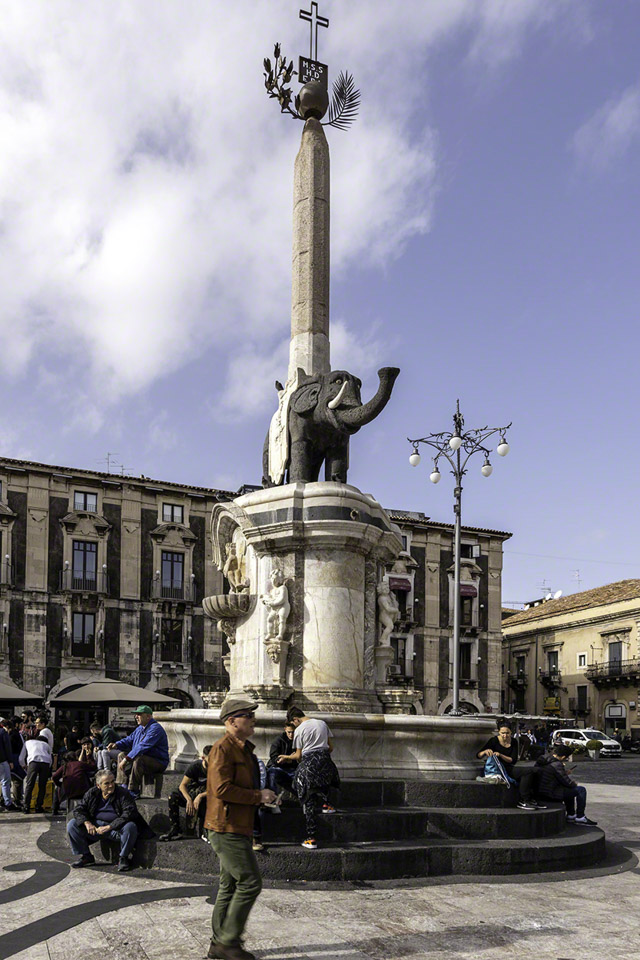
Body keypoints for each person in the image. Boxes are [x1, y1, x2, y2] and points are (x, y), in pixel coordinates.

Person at [204, 696, 276, 960]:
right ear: (232, 722)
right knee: (250, 882)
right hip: (226, 826)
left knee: (230, 885)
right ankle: (228, 942)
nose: (253, 719)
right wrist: (258, 796)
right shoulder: (222, 749)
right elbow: (221, 789)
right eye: (248, 715)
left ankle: (217, 944)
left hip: (237, 826)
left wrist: (261, 796)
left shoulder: (244, 749)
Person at [279, 706, 340, 850]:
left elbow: (298, 756)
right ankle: (327, 804)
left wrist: (287, 757)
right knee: (326, 780)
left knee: (308, 797)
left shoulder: (300, 730)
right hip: (325, 761)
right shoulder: (322, 723)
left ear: (295, 719)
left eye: (293, 724)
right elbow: (330, 747)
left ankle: (311, 839)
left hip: (309, 764)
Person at [67, 769, 141, 871]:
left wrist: (109, 826)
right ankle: (86, 856)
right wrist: (87, 823)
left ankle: (123, 858)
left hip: (115, 829)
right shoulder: (92, 793)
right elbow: (79, 809)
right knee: (72, 824)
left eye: (112, 782)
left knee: (130, 827)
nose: (111, 785)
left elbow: (129, 813)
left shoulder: (122, 793)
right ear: (98, 785)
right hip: (96, 828)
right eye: (106, 783)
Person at [477, 723, 542, 811]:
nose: (505, 735)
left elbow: (513, 760)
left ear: (511, 732)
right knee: (528, 772)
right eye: (502, 733)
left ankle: (532, 799)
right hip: (497, 769)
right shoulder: (494, 740)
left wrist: (500, 755)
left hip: (508, 767)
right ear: (499, 732)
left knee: (535, 771)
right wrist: (485, 751)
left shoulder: (514, 741)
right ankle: (524, 800)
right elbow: (478, 755)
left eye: (507, 733)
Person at [109, 705, 169, 798]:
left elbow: (143, 746)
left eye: (139, 714)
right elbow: (129, 740)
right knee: (121, 755)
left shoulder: (155, 728)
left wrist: (127, 759)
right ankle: (123, 785)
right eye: (135, 714)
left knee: (138, 759)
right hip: (144, 758)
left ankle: (134, 790)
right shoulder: (139, 728)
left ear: (148, 716)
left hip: (158, 762)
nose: (136, 717)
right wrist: (116, 744)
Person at [535, 744, 598, 825]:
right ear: (563, 756)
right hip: (550, 793)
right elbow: (567, 782)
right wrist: (574, 783)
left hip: (541, 790)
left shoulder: (544, 760)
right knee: (581, 790)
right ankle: (580, 816)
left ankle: (571, 814)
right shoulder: (557, 764)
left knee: (568, 790)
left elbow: (552, 775)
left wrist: (564, 772)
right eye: (566, 758)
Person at [160, 745, 212, 841]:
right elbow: (182, 785)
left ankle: (206, 829)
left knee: (207, 800)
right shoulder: (195, 766)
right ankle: (175, 828)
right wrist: (188, 799)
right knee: (173, 796)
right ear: (204, 758)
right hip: (191, 793)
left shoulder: (217, 769)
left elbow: (217, 789)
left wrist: (200, 796)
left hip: (206, 795)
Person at [20, 717, 53, 813]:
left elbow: (21, 758)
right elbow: (50, 758)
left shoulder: (28, 742)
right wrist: (48, 767)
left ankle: (26, 806)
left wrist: (23, 765)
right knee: (42, 785)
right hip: (45, 763)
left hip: (33, 762)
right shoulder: (46, 745)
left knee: (30, 784)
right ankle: (39, 806)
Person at [52, 742, 97, 813]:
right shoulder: (80, 764)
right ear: (76, 757)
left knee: (56, 789)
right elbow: (93, 767)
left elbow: (54, 777)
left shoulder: (64, 766)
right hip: (83, 790)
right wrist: (89, 756)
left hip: (69, 791)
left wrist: (60, 784)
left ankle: (54, 809)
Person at [266, 721, 297, 794]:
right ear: (285, 729)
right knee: (272, 773)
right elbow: (274, 758)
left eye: (293, 732)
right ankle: (273, 799)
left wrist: (287, 759)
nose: (291, 735)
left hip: (292, 768)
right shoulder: (279, 740)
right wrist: (289, 758)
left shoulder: (298, 740)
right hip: (278, 767)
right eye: (289, 732)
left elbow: (299, 758)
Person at [0, 720, 15, 811]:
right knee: (5, 781)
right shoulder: (3, 732)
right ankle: (7, 802)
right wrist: (10, 761)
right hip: (2, 760)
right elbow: (7, 747)